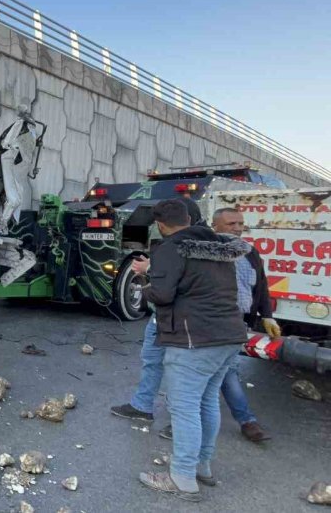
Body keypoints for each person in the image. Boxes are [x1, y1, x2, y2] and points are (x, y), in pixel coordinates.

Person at [110, 208, 281, 442]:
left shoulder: (242, 252)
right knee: (156, 362)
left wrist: (267, 314)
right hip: (176, 320)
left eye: (240, 223)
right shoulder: (203, 248)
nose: (238, 228)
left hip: (204, 325)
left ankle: (240, 422)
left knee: (206, 382)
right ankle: (144, 407)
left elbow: (259, 284)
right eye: (232, 223)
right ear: (215, 225)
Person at [133, 199, 250, 502]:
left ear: (160, 224)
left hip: (194, 339)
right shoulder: (218, 246)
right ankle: (202, 466)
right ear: (189, 218)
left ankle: (182, 477)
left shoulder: (171, 247)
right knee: (207, 400)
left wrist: (143, 284)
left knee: (184, 406)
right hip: (230, 334)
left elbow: (163, 294)